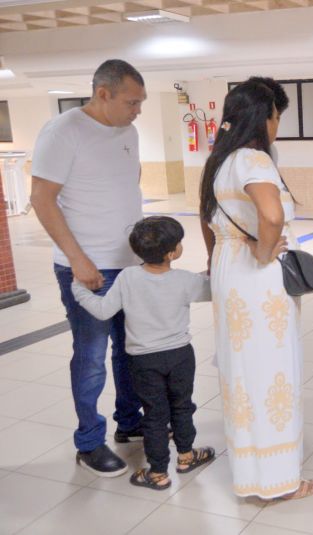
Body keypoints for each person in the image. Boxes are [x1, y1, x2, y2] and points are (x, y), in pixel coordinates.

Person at [199, 79, 313, 502]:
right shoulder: (254, 159)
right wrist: (265, 252)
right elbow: (270, 214)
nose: (277, 125)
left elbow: (207, 222)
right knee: (271, 373)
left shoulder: (220, 161)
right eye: (277, 116)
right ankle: (280, 482)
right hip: (257, 278)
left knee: (242, 374)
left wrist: (232, 254)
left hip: (230, 273)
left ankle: (253, 474)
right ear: (265, 116)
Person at [30, 59, 146, 477]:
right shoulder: (64, 131)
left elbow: (129, 181)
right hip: (87, 268)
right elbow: (42, 199)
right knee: (92, 356)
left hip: (129, 265)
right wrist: (78, 258)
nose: (138, 111)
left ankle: (129, 425)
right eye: (132, 102)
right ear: (103, 94)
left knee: (131, 350)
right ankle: (89, 442)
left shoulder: (128, 132)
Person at [71, 216, 215, 490]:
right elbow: (215, 290)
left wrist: (79, 289)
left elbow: (103, 311)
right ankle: (186, 456)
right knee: (182, 406)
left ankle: (158, 473)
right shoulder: (186, 280)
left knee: (155, 415)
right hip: (181, 356)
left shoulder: (127, 278)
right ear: (173, 252)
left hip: (144, 361)